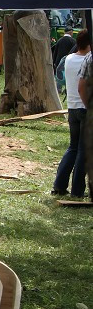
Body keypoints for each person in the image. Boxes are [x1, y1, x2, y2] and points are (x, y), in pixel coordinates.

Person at [52, 30, 90, 198]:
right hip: (85, 107)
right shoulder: (88, 60)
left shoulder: (68, 59)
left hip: (72, 107)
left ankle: (59, 185)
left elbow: (61, 78)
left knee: (73, 147)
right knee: (84, 151)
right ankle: (77, 191)